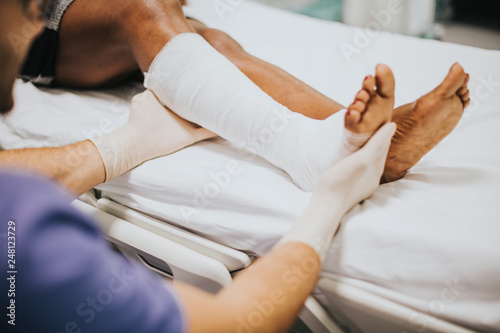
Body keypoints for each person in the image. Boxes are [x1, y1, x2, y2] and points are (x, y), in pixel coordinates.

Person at [0, 1, 398, 332]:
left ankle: (348, 132)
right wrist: (327, 207)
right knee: (145, 8)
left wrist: (123, 147)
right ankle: (320, 149)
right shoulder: (23, 227)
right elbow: (233, 323)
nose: (37, 15)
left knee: (208, 44)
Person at [18, 0, 471, 185]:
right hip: (32, 28)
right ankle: (312, 153)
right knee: (143, 8)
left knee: (214, 49)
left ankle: (365, 137)